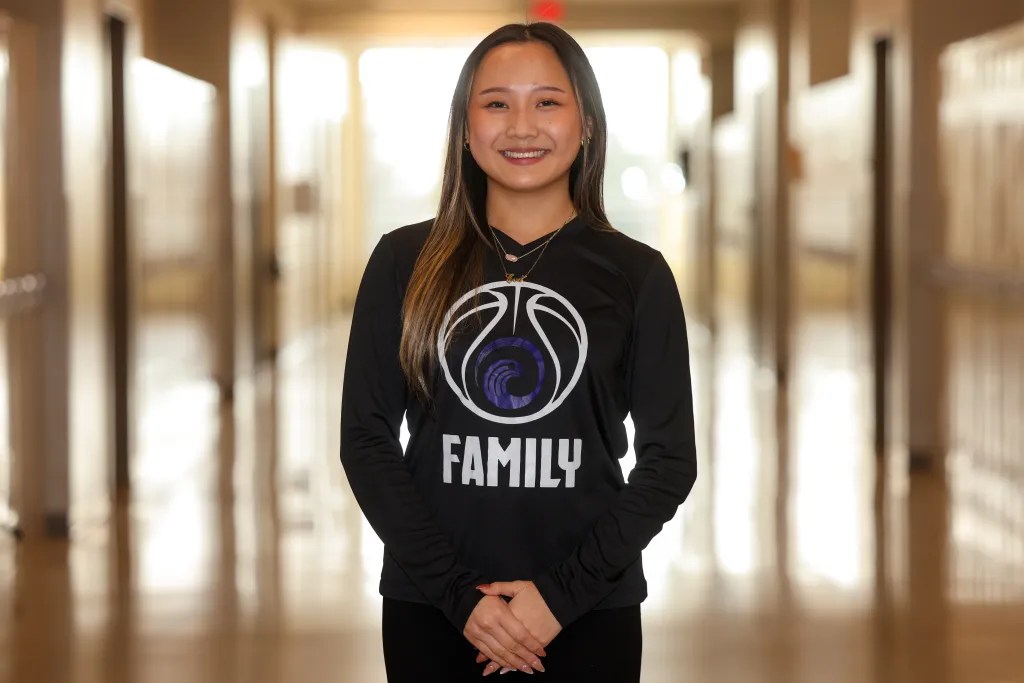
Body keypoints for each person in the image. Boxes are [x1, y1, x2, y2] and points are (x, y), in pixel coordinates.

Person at [339, 21, 697, 682]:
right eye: (497, 102)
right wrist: (457, 596)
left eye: (548, 102)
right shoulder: (402, 261)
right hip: (434, 609)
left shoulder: (636, 274)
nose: (522, 126)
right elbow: (365, 439)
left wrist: (558, 597)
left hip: (588, 612)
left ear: (586, 123)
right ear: (465, 126)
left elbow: (670, 461)